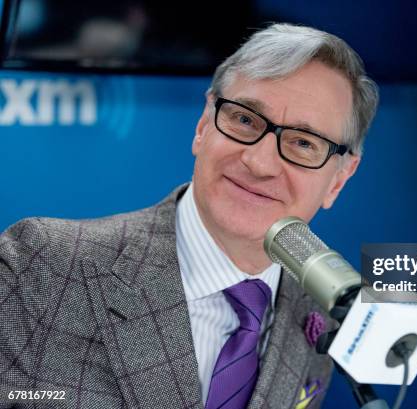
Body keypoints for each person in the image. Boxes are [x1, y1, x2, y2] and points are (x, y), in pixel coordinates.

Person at [0, 23, 378, 409]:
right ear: (203, 125)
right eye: (245, 119)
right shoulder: (42, 266)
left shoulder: (325, 311)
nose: (260, 162)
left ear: (338, 179)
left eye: (302, 143)